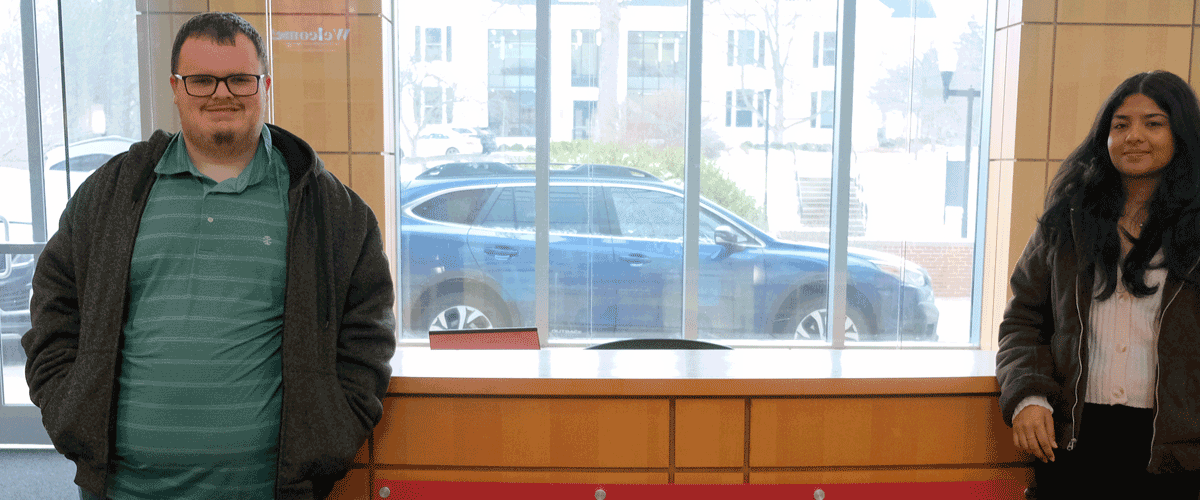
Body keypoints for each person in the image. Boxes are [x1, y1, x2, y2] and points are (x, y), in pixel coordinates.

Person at [21, 12, 396, 500]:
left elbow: (367, 334)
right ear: (176, 87)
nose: (222, 94)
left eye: (240, 78)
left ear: (265, 84)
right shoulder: (111, 194)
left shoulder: (331, 211)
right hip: (123, 489)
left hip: (267, 490)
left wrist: (328, 438)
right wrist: (68, 412)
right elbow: (54, 306)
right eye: (202, 80)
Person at [996, 70, 1200, 499]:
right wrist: (1028, 396)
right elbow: (1024, 320)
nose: (1134, 137)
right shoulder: (1067, 221)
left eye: (1153, 123)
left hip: (1175, 452)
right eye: (1120, 125)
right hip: (1075, 439)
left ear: (1181, 133)